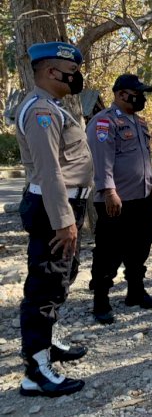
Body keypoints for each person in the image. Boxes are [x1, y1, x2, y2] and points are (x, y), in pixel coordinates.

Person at [15, 42, 92, 396]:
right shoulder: (40, 111)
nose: (76, 78)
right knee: (44, 287)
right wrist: (64, 220)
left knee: (61, 278)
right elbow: (49, 171)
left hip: (62, 207)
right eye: (71, 72)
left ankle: (47, 342)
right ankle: (36, 371)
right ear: (50, 72)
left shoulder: (54, 107)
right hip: (52, 210)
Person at [86, 74, 152, 325]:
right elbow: (101, 159)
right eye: (137, 93)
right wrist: (109, 191)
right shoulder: (104, 122)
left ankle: (136, 292)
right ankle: (101, 301)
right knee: (109, 251)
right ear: (120, 94)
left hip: (141, 197)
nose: (141, 97)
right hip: (115, 200)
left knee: (140, 246)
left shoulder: (139, 123)